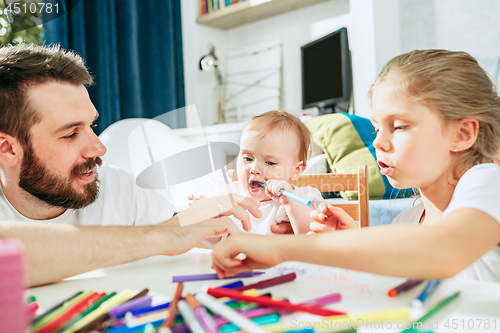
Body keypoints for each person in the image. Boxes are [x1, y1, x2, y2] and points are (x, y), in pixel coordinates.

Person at [211, 49, 500, 282]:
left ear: (462, 134)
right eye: (376, 129)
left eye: (398, 127)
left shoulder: (489, 182)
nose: (378, 143)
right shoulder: (408, 222)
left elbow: (443, 250)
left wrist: (279, 249)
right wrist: (352, 243)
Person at [0, 44, 261, 287]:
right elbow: (10, 253)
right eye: (70, 134)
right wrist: (160, 237)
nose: (99, 148)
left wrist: (212, 232)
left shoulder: (117, 187)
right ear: (8, 149)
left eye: (92, 126)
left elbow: (179, 235)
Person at [189, 110, 324, 236]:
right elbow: (214, 241)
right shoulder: (231, 195)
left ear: (296, 170)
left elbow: (310, 235)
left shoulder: (296, 201)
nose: (254, 169)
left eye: (270, 163)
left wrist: (289, 202)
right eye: (248, 159)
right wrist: (206, 219)